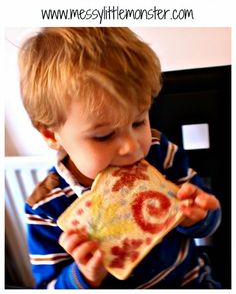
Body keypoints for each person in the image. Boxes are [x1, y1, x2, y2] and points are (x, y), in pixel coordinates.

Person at [19, 27, 221, 289]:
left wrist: (199, 217)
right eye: (103, 136)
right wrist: (84, 276)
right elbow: (48, 286)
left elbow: (204, 219)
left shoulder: (162, 152)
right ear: (51, 134)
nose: (131, 147)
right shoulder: (46, 209)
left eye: (138, 122)